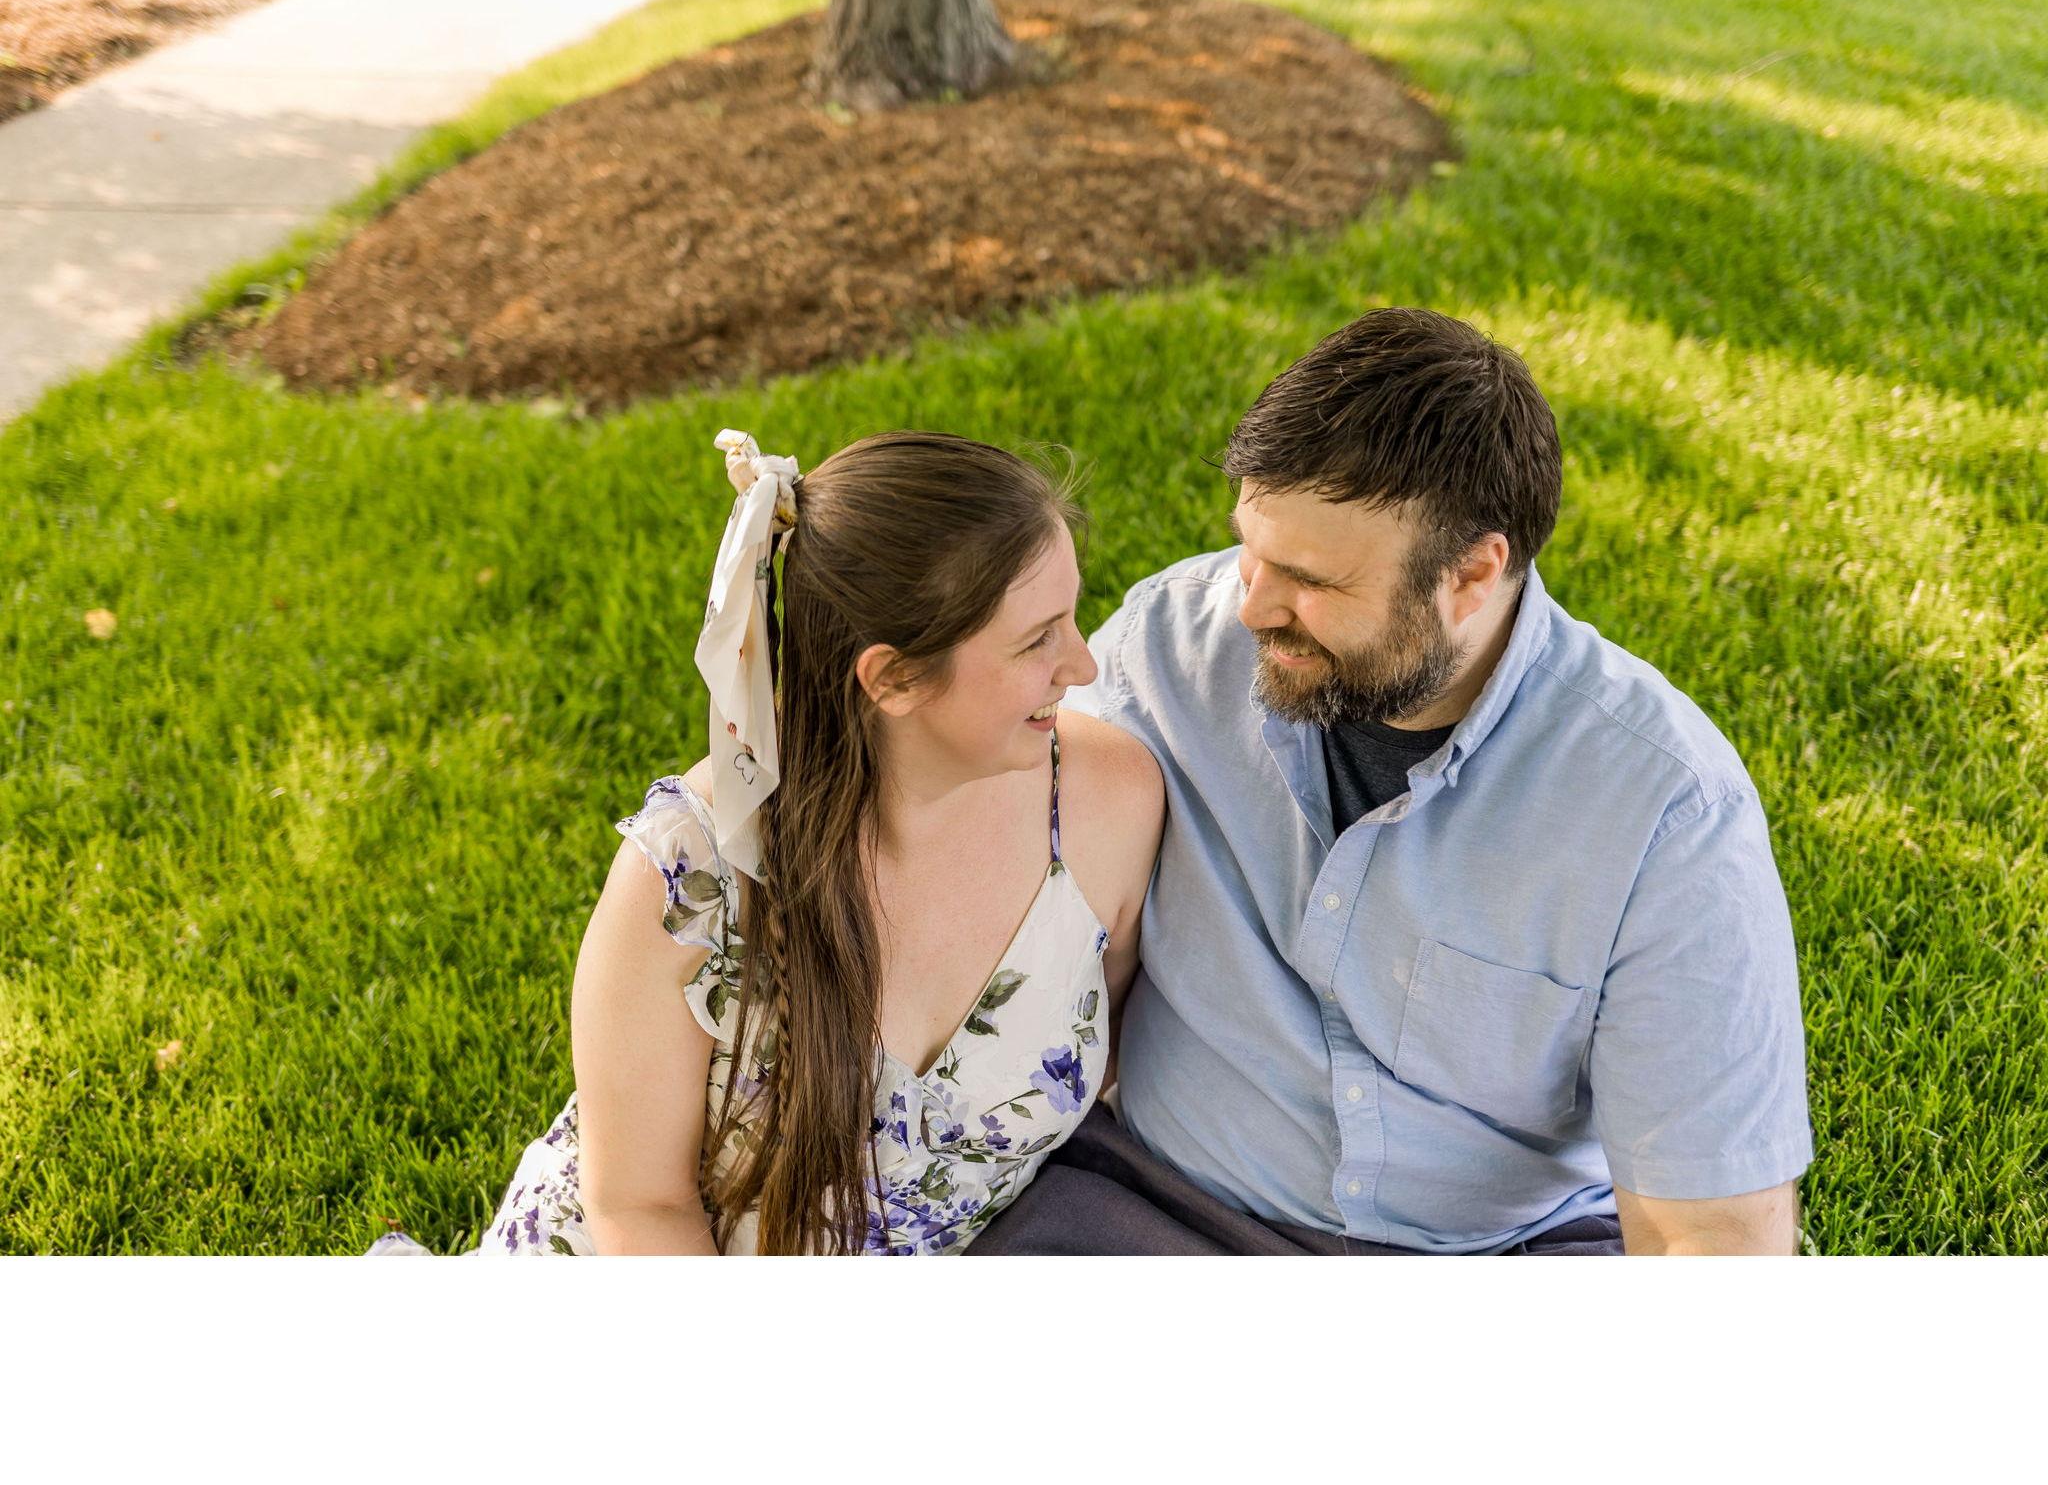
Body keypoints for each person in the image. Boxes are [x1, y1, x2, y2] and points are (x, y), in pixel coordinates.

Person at [969, 308, 1813, 1257]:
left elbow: (1711, 1234)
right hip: (1157, 1211)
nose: (1250, 605)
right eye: (1251, 548)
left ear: (1472, 575)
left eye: (1311, 579)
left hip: (1497, 1252)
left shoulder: (1664, 808)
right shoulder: (1167, 652)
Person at [371, 429, 1161, 1256]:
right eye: (1037, 640)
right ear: (891, 679)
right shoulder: (689, 873)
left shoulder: (1108, 803)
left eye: (1074, 618)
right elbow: (639, 1204)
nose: (1083, 666)